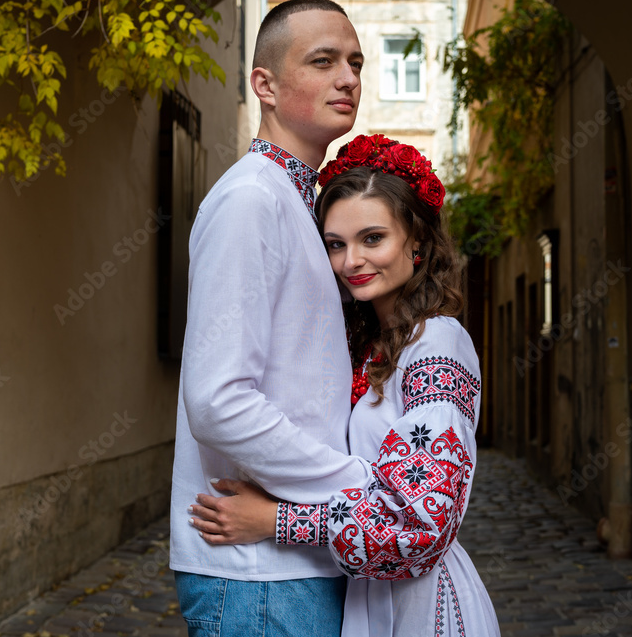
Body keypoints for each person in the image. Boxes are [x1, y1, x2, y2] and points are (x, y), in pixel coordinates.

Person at [190, 134, 501, 637]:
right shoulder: (373, 344)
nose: (351, 261)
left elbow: (422, 525)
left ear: (417, 243)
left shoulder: (436, 344)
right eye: (336, 244)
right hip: (368, 597)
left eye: (373, 238)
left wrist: (275, 521)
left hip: (419, 604)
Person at [169, 0, 374, 637]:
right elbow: (217, 399)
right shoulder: (252, 199)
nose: (348, 78)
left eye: (355, 63)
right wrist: (354, 486)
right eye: (323, 61)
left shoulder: (294, 201)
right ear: (264, 85)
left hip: (291, 567)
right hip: (259, 579)